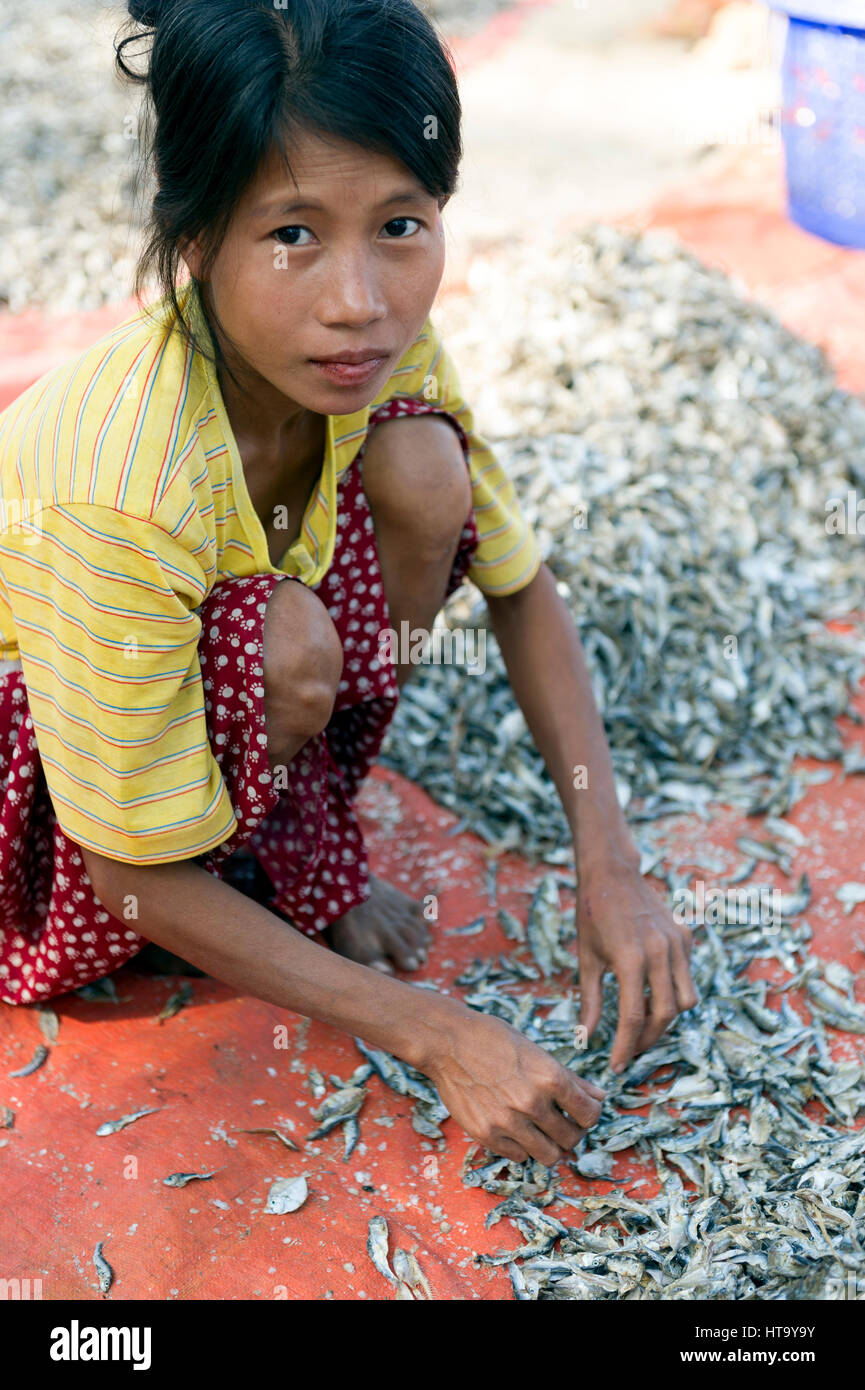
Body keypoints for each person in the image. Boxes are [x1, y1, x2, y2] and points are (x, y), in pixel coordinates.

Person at [0, 0, 696, 1165]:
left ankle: (285, 849)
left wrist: (610, 865)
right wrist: (437, 1035)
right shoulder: (116, 484)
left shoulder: (371, 351)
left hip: (221, 731)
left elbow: (520, 593)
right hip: (57, 812)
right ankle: (239, 901)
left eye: (400, 224)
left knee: (426, 472)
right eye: (291, 235)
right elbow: (123, 862)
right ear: (194, 238)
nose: (358, 299)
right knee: (283, 643)